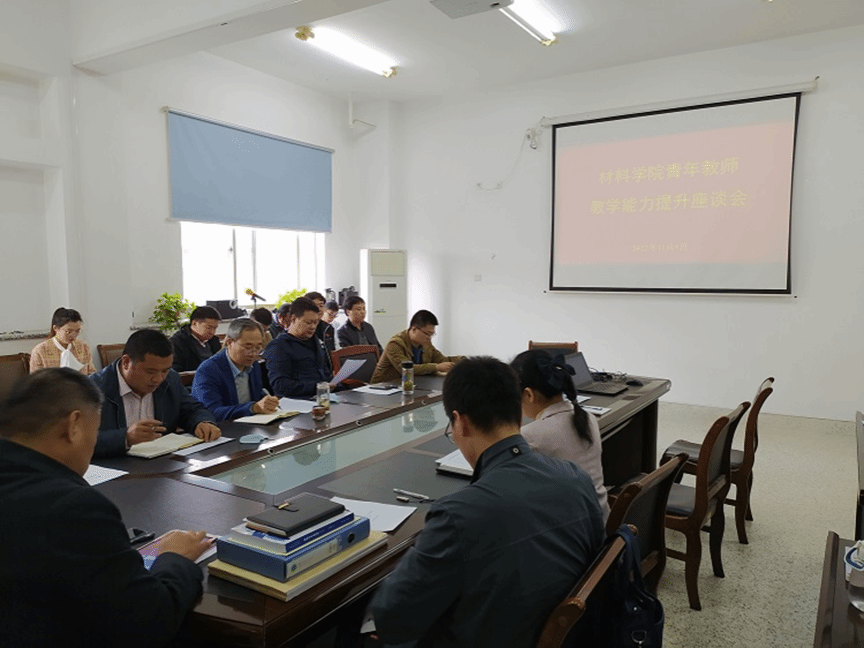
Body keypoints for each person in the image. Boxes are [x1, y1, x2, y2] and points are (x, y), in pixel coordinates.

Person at [370, 357, 604, 647]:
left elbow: (393, 618)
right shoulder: (575, 478)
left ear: (460, 422)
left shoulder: (457, 515)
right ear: (519, 414)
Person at [0, 368, 211, 647]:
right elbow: (148, 621)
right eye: (95, 431)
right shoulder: (74, 508)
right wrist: (174, 557)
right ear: (74, 426)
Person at [511, 350, 610, 521]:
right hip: (602, 519)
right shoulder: (588, 419)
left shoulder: (529, 436)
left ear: (528, 395)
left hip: (573, 529)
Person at [91, 329, 220, 458]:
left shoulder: (170, 379)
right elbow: (80, 440)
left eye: (165, 370)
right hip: (114, 465)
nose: (158, 379)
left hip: (163, 462)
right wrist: (125, 438)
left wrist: (202, 422)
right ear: (126, 362)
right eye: (150, 372)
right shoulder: (92, 390)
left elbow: (192, 409)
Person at [192, 318, 279, 421]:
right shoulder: (208, 370)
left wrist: (268, 402)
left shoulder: (253, 365)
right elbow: (211, 412)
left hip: (251, 423)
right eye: (247, 347)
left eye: (258, 347)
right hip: (223, 427)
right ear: (229, 343)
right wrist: (252, 408)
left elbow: (257, 396)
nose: (253, 353)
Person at [262, 297, 334, 398]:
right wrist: (317, 387)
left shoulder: (316, 341)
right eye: (308, 322)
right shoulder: (279, 347)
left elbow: (325, 372)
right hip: (298, 401)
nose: (313, 327)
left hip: (324, 396)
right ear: (293, 319)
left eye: (316, 322)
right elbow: (280, 385)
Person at [371, 309, 461, 383]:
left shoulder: (426, 343)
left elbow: (440, 359)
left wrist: (462, 360)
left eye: (432, 334)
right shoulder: (395, 344)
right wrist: (436, 367)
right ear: (414, 329)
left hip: (411, 385)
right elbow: (406, 369)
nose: (429, 338)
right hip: (383, 387)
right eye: (427, 334)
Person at [29, 307, 96, 375]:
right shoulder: (40, 351)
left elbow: (91, 373)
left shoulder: (83, 347)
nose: (73, 335)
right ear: (55, 328)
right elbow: (35, 380)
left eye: (77, 331)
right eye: (68, 331)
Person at [169, 305, 222, 372]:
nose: (212, 332)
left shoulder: (214, 340)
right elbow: (175, 371)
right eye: (209, 328)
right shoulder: (177, 343)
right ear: (194, 323)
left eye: (215, 328)